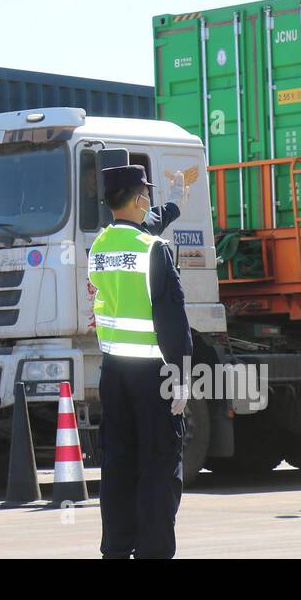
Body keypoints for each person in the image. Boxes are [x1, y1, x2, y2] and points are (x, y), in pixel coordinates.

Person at [89, 162, 193, 559]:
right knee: (160, 465)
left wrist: (174, 205)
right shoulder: (155, 251)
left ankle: (116, 548)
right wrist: (182, 377)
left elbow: (141, 227)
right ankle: (153, 551)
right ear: (137, 199)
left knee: (118, 463)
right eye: (146, 195)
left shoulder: (100, 246)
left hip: (114, 373)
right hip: (155, 375)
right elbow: (172, 318)